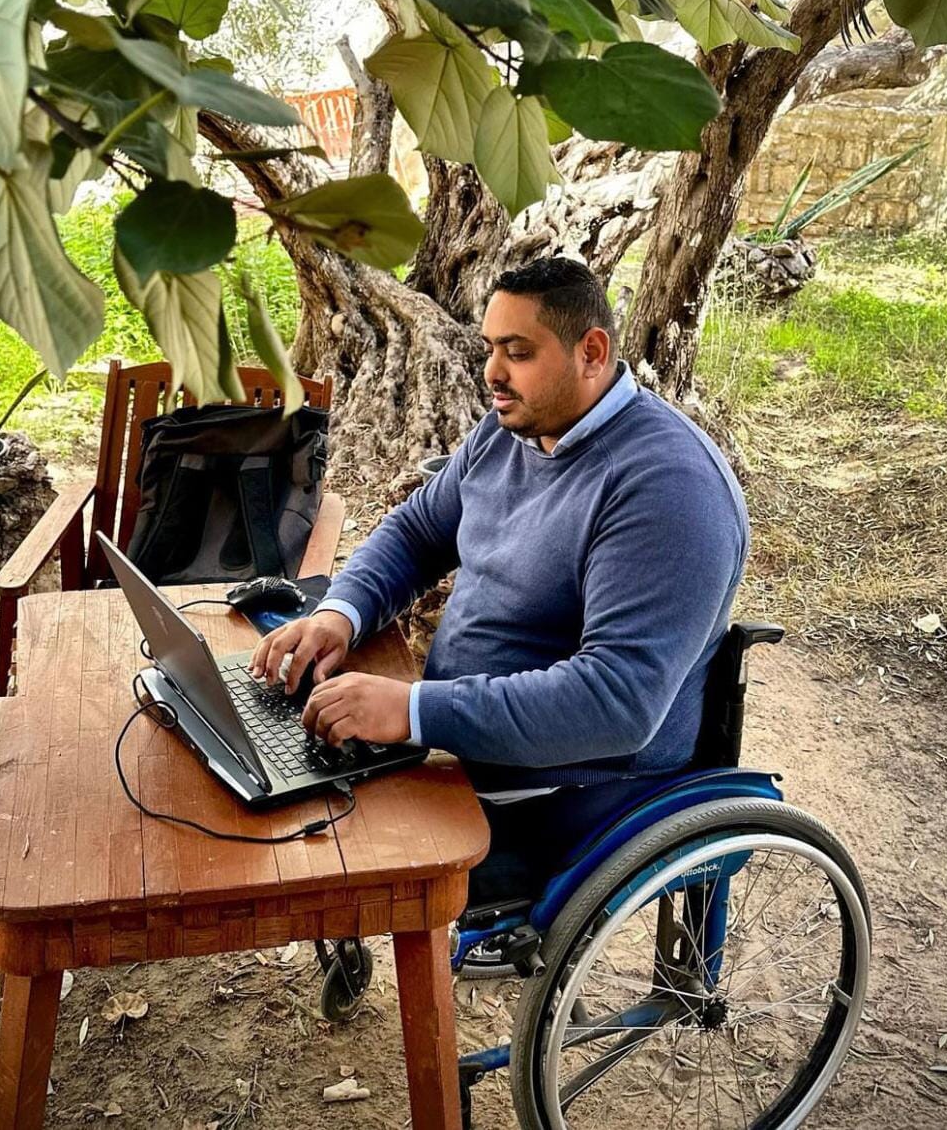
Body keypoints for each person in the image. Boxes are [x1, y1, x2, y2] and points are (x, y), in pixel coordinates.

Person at [250, 256, 749, 904]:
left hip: (561, 790)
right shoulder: (515, 428)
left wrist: (411, 711)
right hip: (457, 735)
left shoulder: (669, 492)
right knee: (271, 757)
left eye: (517, 352)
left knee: (307, 842)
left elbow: (616, 703)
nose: (492, 373)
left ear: (591, 352)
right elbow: (419, 531)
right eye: (491, 349)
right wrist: (340, 614)